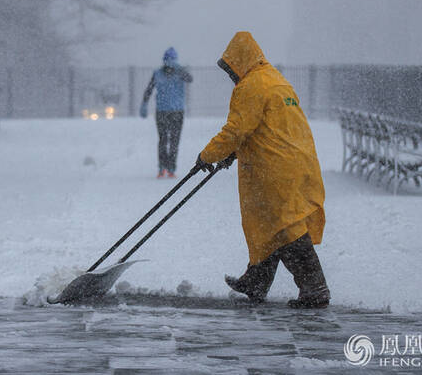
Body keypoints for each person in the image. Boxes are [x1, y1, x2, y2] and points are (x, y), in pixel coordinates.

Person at [191, 31, 330, 308]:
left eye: (231, 68)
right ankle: (256, 279)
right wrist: (234, 152)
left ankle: (315, 288)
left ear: (240, 61)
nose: (231, 75)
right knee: (271, 223)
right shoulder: (276, 80)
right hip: (298, 161)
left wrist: (208, 155)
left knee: (286, 227)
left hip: (276, 167)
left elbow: (237, 129)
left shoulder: (252, 85)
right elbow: (264, 126)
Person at [140, 47, 193, 178]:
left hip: (176, 111)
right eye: (168, 60)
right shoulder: (157, 73)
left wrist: (179, 69)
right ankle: (162, 167)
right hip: (163, 111)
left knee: (173, 140)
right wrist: (144, 104)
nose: (169, 63)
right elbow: (149, 89)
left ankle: (171, 168)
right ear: (164, 61)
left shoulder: (180, 73)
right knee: (164, 139)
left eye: (172, 60)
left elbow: (190, 79)